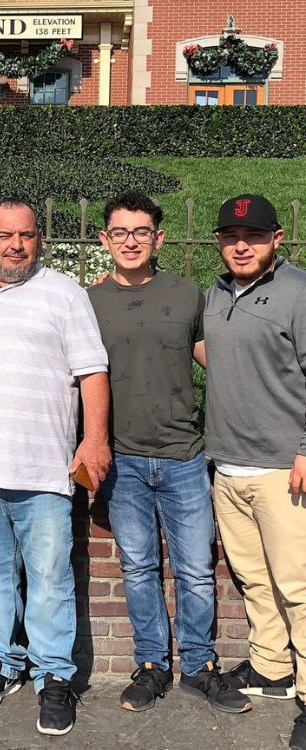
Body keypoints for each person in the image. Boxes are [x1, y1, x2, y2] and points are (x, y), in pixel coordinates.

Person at [0, 198, 110, 736]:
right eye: (4, 235)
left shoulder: (65, 294)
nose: (16, 245)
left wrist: (94, 439)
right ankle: (1, 661)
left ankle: (53, 676)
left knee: (50, 578)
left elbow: (93, 372)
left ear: (40, 239)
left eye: (26, 235)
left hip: (45, 469)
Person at [87, 191, 250, 715]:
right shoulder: (87, 303)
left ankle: (200, 666)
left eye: (140, 232)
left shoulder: (187, 295)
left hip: (183, 454)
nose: (130, 241)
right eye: (120, 232)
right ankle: (152, 664)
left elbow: (219, 365)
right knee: (138, 568)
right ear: (103, 239)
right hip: (123, 458)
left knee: (196, 570)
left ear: (158, 238)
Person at [204, 195, 306, 750]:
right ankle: (272, 666)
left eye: (255, 235)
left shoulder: (299, 293)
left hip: (283, 468)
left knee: (299, 585)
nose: (241, 245)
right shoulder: (215, 295)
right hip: (228, 464)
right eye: (231, 235)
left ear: (277, 237)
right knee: (255, 579)